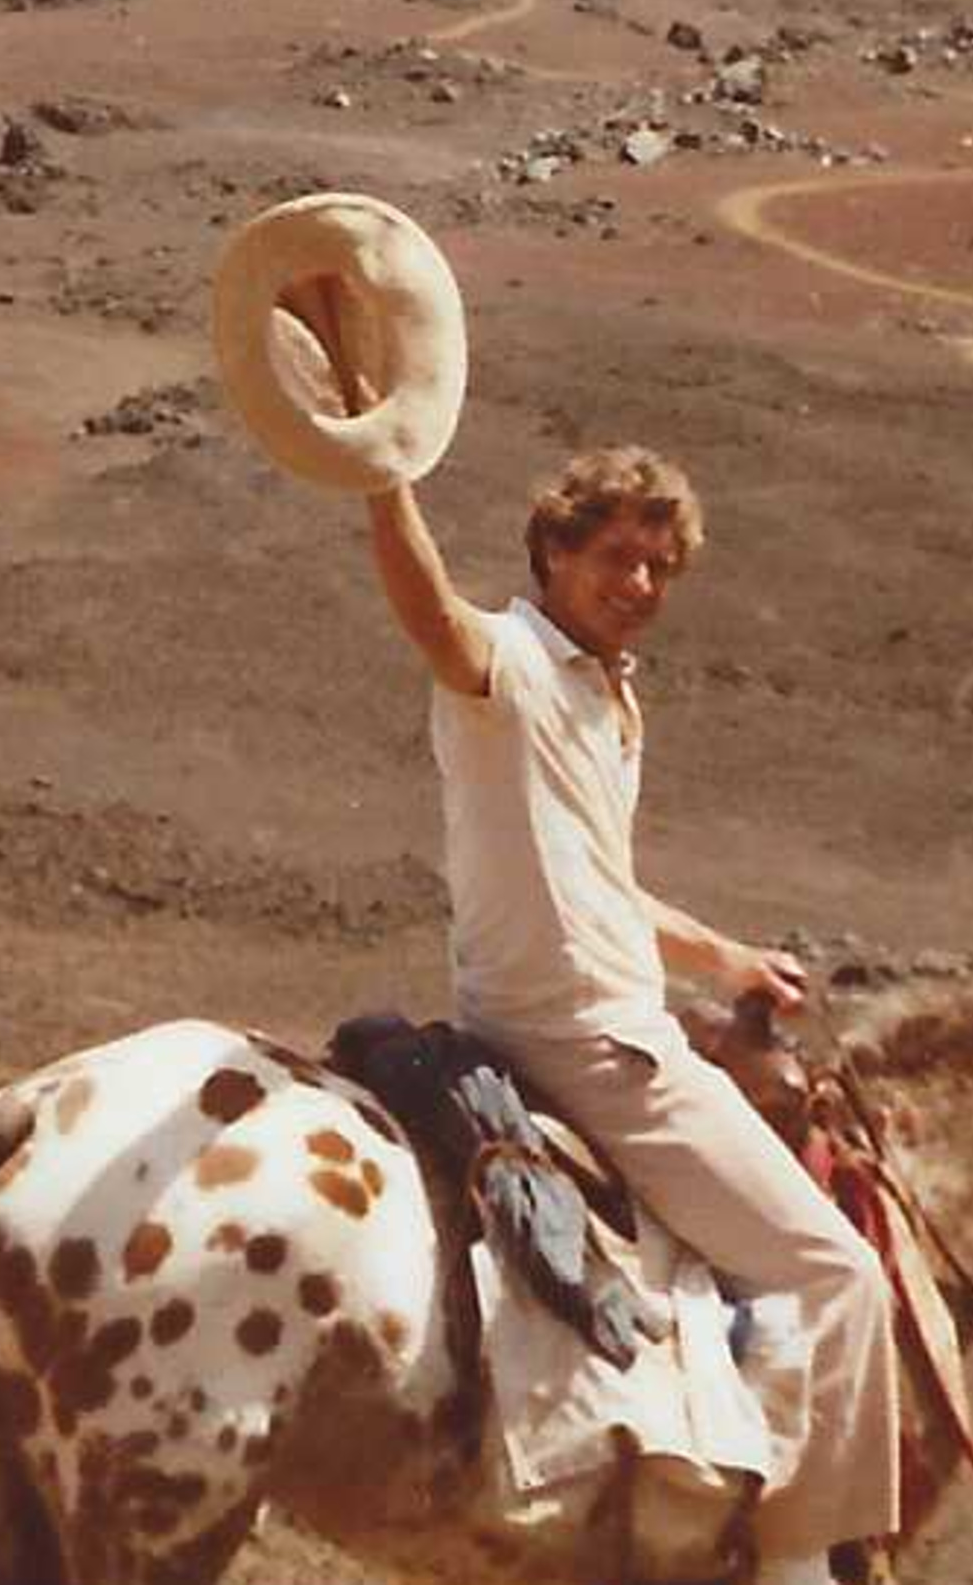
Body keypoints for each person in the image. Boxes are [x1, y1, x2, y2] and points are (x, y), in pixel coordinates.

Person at [356, 436, 902, 1585]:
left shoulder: (607, 700)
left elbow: (602, 881)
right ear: (554, 550)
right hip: (593, 1044)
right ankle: (798, 1562)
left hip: (595, 1014)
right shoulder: (509, 666)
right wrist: (380, 470)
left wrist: (727, 958)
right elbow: (428, 610)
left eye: (659, 566)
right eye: (615, 556)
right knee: (839, 1275)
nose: (640, 584)